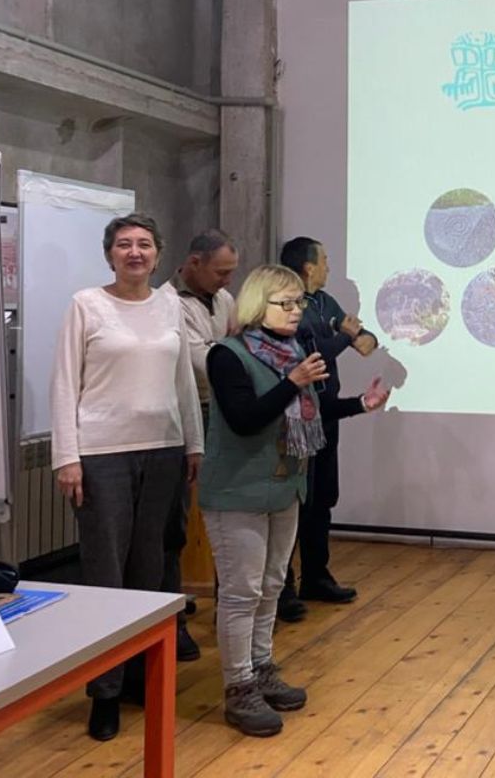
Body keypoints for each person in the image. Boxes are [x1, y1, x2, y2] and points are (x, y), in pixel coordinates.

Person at [200, 264, 389, 736]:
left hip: (285, 486)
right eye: (284, 303)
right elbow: (245, 420)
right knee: (241, 592)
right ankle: (238, 687)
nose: (295, 311)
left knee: (270, 586)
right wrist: (294, 381)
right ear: (256, 303)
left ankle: (262, 669)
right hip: (238, 491)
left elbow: (315, 410)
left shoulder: (294, 351)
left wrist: (359, 405)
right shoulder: (227, 355)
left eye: (298, 303)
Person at [50, 213, 203, 742]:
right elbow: (64, 383)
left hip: (163, 451)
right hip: (101, 455)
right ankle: (104, 693)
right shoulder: (86, 305)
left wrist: (194, 441)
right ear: (109, 254)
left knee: (151, 573)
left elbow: (183, 381)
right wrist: (67, 457)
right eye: (123, 245)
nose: (134, 252)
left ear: (158, 255)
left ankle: (140, 679)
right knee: (105, 575)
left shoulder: (170, 305)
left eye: (143, 244)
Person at [277, 236, 377, 615]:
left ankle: (316, 576)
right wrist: (343, 337)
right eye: (325, 261)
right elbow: (312, 354)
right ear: (308, 267)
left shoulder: (324, 301)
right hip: (297, 416)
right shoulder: (286, 302)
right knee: (295, 501)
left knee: (322, 497)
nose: (329, 267)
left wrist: (355, 337)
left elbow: (363, 340)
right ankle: (283, 587)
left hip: (327, 411)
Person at [160, 229, 239, 658]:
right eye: (221, 272)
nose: (227, 281)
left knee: (228, 511)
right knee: (175, 522)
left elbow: (233, 348)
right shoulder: (167, 303)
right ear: (194, 263)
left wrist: (227, 353)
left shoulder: (223, 299)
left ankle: (233, 607)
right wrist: (230, 355)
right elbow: (202, 363)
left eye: (231, 273)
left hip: (223, 410)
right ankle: (173, 619)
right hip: (184, 415)